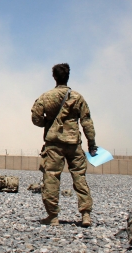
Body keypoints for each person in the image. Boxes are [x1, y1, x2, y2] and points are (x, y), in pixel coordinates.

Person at [31, 63, 97, 227]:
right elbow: (86, 122)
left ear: (54, 77)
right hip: (74, 143)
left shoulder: (46, 97)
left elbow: (36, 118)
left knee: (52, 177)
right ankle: (86, 215)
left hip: (54, 144)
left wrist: (48, 123)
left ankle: (53, 216)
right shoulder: (77, 97)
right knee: (79, 177)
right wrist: (92, 143)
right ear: (68, 77)